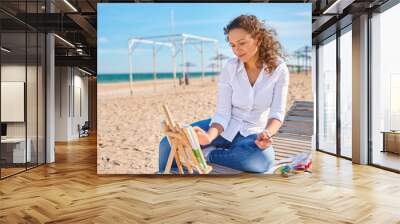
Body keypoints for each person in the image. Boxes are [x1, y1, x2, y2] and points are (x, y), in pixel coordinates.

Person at [159, 15, 289, 173]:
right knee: (168, 143)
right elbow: (223, 113)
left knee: (263, 161)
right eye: (233, 45)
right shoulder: (230, 67)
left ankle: (210, 154)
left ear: (259, 38)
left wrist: (266, 133)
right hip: (225, 126)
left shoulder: (279, 69)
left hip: (252, 132)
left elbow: (277, 113)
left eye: (242, 43)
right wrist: (208, 136)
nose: (236, 50)